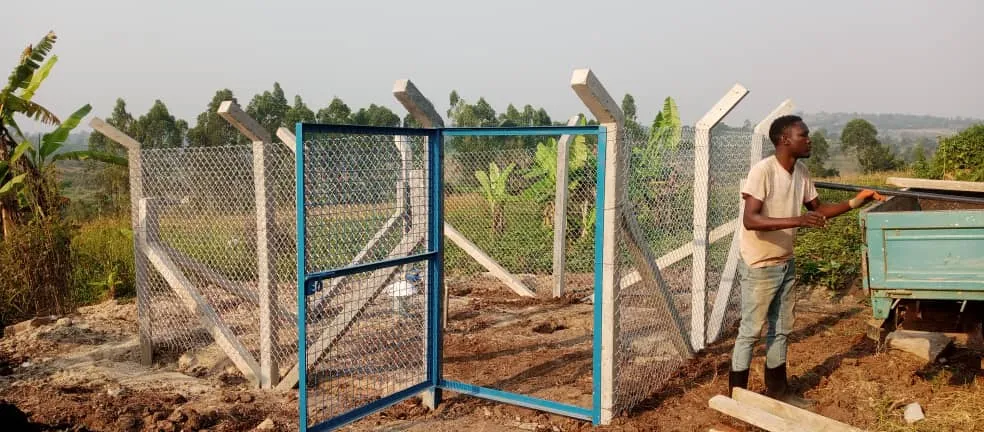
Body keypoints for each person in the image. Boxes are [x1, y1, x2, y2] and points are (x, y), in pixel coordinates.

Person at [728, 115, 884, 408]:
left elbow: (819, 209)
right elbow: (751, 220)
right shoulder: (763, 171)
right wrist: (798, 219)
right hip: (760, 265)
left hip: (785, 261)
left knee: (782, 329)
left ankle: (778, 391)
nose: (809, 140)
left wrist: (856, 201)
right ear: (784, 139)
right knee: (750, 331)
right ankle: (737, 398)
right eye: (804, 135)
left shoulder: (800, 171)